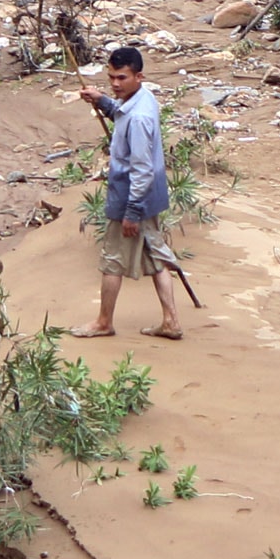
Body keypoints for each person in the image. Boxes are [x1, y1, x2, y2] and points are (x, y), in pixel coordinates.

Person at [78, 46, 181, 341]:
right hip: (152, 195)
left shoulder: (139, 118)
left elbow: (141, 168)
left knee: (112, 261)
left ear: (139, 75)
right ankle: (171, 321)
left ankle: (103, 322)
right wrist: (104, 102)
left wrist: (131, 212)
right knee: (156, 257)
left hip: (130, 197)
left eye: (121, 78)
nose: (115, 84)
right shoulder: (141, 99)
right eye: (111, 77)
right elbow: (121, 114)